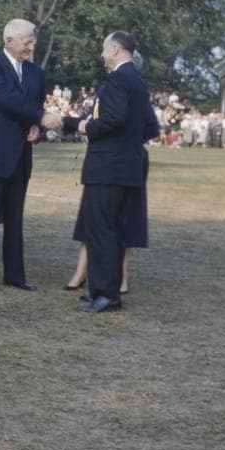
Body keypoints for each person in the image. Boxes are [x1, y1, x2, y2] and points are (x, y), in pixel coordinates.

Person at [0, 19, 62, 292]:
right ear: (9, 41)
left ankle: (15, 275)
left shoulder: (35, 73)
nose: (31, 47)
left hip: (20, 154)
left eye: (33, 42)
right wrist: (40, 116)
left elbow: (34, 105)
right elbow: (5, 98)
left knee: (14, 217)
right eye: (27, 42)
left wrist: (35, 126)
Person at [73, 31, 155, 313]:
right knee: (110, 230)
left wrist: (87, 128)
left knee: (101, 230)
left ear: (117, 50)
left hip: (108, 167)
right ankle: (102, 289)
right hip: (123, 166)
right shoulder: (136, 81)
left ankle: (106, 294)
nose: (102, 54)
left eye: (105, 48)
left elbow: (114, 119)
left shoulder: (120, 79)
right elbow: (148, 125)